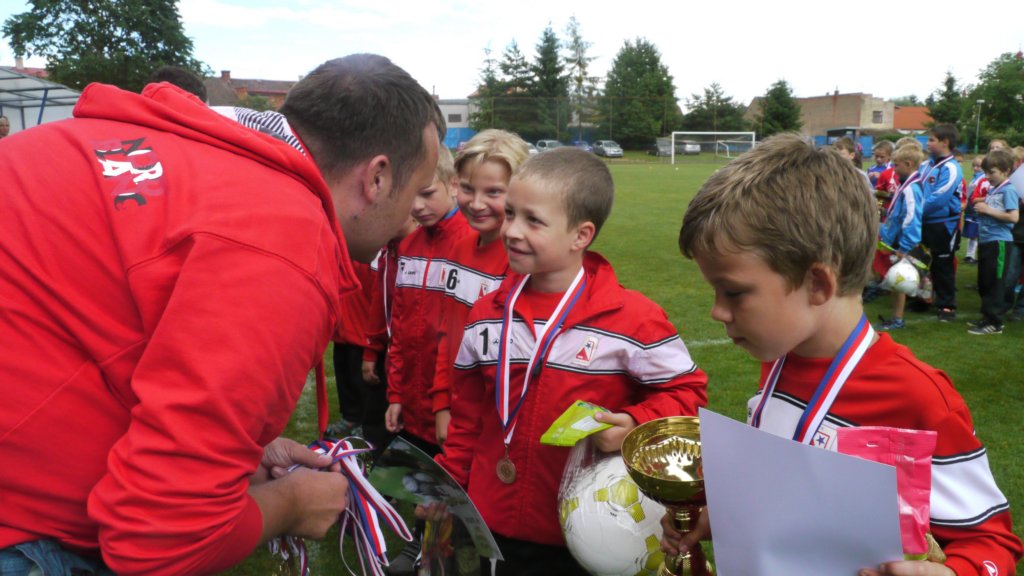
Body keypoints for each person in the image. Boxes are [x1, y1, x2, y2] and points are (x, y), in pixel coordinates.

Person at [0, 53, 444, 575]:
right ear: (377, 177)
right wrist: (292, 506)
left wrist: (243, 451)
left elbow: (107, 329)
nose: (414, 216)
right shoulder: (281, 240)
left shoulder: (184, 156)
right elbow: (159, 541)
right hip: (27, 533)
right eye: (416, 194)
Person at [668, 133, 1021, 575]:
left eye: (734, 292)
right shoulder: (777, 363)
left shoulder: (918, 397)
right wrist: (727, 516)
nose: (717, 311)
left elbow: (990, 542)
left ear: (818, 284)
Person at [437, 148, 708, 575]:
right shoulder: (487, 313)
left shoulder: (633, 319)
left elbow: (689, 393)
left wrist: (635, 424)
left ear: (581, 235)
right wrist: (448, 483)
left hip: (584, 528)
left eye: (533, 221)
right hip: (492, 520)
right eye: (510, 213)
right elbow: (469, 416)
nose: (511, 230)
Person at [429, 129, 530, 447]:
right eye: (468, 189)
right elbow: (447, 333)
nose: (476, 203)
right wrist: (442, 401)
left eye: (493, 192)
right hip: (459, 409)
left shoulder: (525, 263)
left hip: (500, 418)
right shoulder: (459, 249)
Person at [384, 146, 471, 454]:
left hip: (453, 410)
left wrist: (445, 404)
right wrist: (396, 395)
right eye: (410, 197)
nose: (418, 207)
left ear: (454, 185)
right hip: (411, 405)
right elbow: (400, 327)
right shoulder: (408, 245)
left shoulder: (472, 245)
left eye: (428, 193)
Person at [968, 149, 1020, 335]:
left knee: (996, 282)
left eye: (992, 172)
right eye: (986, 172)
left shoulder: (1009, 189)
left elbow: (1013, 217)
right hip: (987, 241)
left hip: (999, 243)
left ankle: (995, 323)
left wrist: (988, 210)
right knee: (985, 281)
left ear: (1005, 171)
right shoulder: (994, 189)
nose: (987, 176)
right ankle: (987, 317)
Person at [877, 145, 926, 330]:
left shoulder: (911, 188)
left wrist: (904, 247)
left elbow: (912, 218)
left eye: (896, 165)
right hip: (895, 239)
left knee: (900, 279)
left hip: (903, 243)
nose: (894, 169)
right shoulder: (906, 184)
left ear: (909, 164)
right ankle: (896, 317)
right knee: (895, 280)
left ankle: (898, 319)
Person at [920, 124, 964, 321]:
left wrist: (916, 210)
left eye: (931, 140)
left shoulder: (952, 167)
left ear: (945, 142)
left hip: (943, 224)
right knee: (920, 262)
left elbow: (940, 197)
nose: (927, 143)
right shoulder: (925, 165)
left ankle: (947, 305)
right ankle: (922, 298)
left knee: (942, 264)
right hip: (923, 222)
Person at [962, 155, 991, 264]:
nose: (975, 168)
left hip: (978, 209)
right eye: (974, 166)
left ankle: (976, 256)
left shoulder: (984, 179)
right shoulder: (975, 178)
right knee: (972, 234)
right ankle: (970, 255)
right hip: (971, 208)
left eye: (978, 166)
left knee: (978, 234)